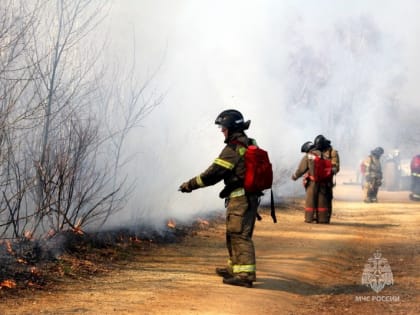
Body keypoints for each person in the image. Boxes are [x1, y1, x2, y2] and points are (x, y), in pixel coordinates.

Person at [179, 109, 260, 288]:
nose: (222, 131)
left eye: (223, 127)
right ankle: (235, 269)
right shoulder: (248, 142)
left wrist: (190, 185)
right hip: (244, 198)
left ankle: (245, 274)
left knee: (239, 235)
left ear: (231, 127)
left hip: (241, 199)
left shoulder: (234, 148)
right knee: (233, 234)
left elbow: (213, 174)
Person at [291, 136, 335, 224]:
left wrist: (294, 176)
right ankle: (323, 219)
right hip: (323, 182)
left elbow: (301, 169)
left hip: (312, 182)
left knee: (310, 201)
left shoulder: (309, 156)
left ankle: (310, 218)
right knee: (322, 201)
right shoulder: (325, 156)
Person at [313, 134, 340, 222]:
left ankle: (326, 216)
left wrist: (329, 169)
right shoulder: (315, 151)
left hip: (327, 180)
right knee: (313, 198)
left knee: (327, 198)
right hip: (316, 180)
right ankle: (314, 216)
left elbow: (336, 166)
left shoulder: (333, 152)